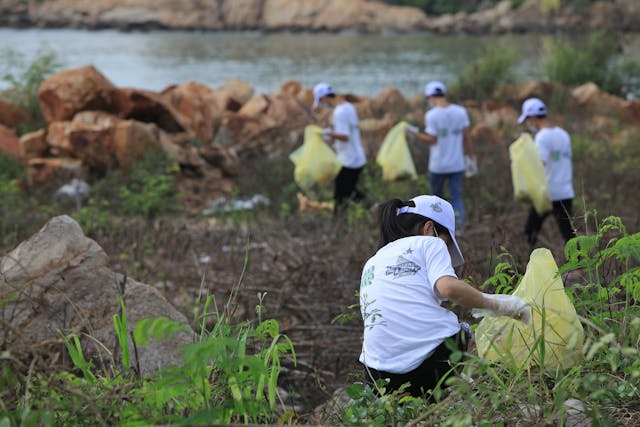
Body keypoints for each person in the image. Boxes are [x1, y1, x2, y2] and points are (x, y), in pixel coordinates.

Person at [359, 195, 530, 397]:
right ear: (429, 228)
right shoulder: (430, 244)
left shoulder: (372, 262)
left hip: (376, 376)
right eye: (447, 242)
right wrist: (497, 304)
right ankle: (439, 395)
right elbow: (448, 288)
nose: (445, 249)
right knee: (461, 332)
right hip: (424, 370)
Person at [407, 81, 475, 234]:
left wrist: (415, 133)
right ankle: (458, 228)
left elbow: (432, 139)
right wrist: (471, 159)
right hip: (457, 164)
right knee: (456, 196)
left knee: (436, 199)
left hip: (438, 166)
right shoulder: (460, 112)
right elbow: (466, 137)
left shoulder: (432, 115)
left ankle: (438, 228)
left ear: (430, 97)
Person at [517, 98, 576, 246]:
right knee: (569, 234)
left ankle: (526, 262)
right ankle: (579, 267)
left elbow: (539, 165)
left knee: (530, 231)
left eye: (527, 120)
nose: (528, 124)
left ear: (532, 118)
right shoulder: (564, 134)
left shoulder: (542, 137)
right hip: (566, 192)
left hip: (547, 194)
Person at [313, 82, 367, 216]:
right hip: (357, 157)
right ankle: (375, 209)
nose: (322, 104)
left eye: (320, 101)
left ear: (324, 98)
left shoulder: (339, 112)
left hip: (349, 160)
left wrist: (326, 133)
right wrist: (331, 131)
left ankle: (338, 225)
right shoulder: (348, 107)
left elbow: (345, 136)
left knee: (340, 196)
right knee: (350, 191)